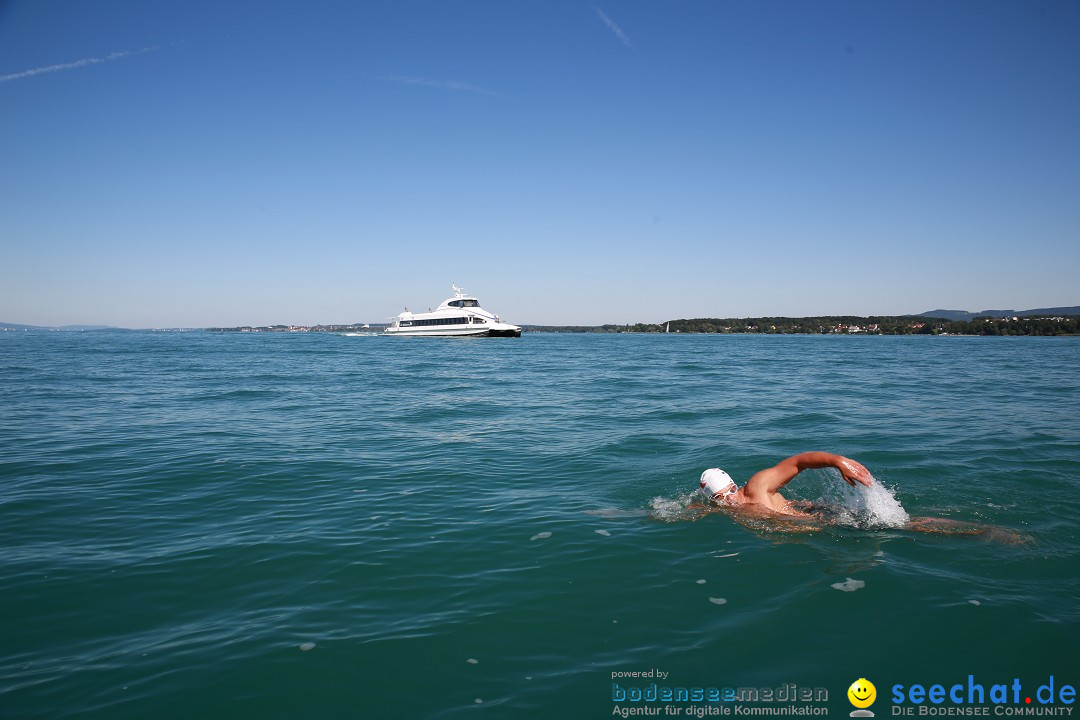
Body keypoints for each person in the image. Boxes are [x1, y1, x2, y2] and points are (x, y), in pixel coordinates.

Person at [700, 451, 872, 516]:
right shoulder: (724, 507)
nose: (728, 499)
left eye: (731, 491)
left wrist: (838, 462)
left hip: (827, 518)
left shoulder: (757, 485)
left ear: (734, 484)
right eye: (719, 497)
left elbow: (798, 462)